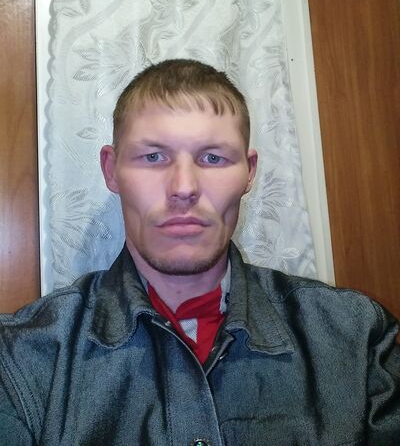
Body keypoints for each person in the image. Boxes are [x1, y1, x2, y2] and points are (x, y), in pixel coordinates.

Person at [0, 59, 399, 446]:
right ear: (111, 169)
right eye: (153, 156)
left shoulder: (357, 336)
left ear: (249, 172)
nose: (184, 188)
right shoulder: (20, 359)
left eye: (212, 158)